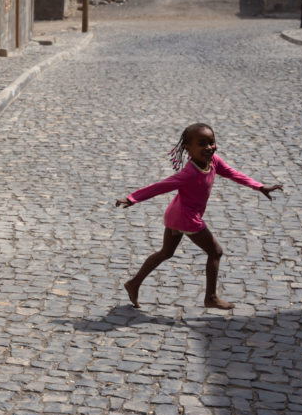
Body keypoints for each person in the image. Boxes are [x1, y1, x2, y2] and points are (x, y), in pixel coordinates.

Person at [115, 123, 282, 310]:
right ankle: (210, 297)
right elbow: (161, 186)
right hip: (187, 219)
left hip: (175, 215)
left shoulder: (213, 161)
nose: (209, 147)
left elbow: (233, 174)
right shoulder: (189, 173)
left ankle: (134, 283)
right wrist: (132, 198)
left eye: (212, 142)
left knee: (166, 253)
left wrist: (259, 186)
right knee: (215, 251)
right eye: (202, 144)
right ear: (188, 148)